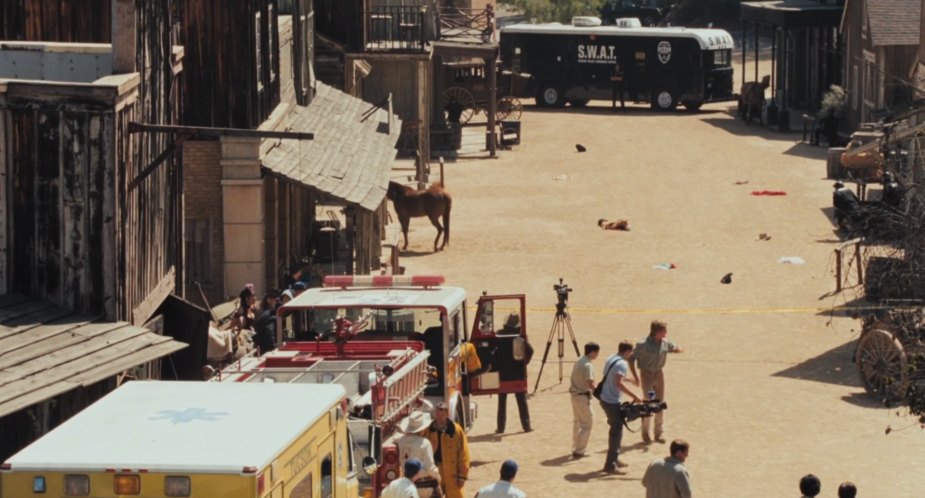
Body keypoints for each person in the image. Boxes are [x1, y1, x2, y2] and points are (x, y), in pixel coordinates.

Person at [629, 320, 683, 444]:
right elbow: (631, 359)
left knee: (659, 403)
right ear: (657, 332)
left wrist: (678, 349)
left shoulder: (665, 342)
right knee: (649, 403)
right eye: (664, 330)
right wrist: (636, 376)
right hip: (646, 374)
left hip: (659, 374)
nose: (666, 333)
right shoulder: (642, 344)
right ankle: (645, 433)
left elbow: (676, 347)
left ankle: (658, 433)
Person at [599, 341, 642, 474]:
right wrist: (634, 395)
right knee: (616, 431)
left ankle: (614, 459)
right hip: (612, 401)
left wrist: (629, 380)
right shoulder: (622, 363)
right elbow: (617, 382)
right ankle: (610, 465)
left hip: (605, 397)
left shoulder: (611, 358)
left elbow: (613, 377)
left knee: (617, 428)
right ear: (627, 351)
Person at [496, 315, 533, 433]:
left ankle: (500, 428)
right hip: (517, 373)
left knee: (502, 401)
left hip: (503, 373)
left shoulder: (499, 334)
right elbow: (530, 351)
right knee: (521, 400)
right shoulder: (520, 335)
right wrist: (524, 364)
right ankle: (526, 426)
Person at [424, 402, 469, 498]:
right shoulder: (429, 430)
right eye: (437, 414)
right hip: (436, 471)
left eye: (442, 415)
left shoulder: (456, 431)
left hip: (452, 473)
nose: (439, 417)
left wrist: (462, 476)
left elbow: (463, 454)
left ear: (447, 414)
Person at [396, 411, 442, 498]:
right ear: (422, 429)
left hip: (408, 484)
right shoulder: (425, 443)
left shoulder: (401, 442)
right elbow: (430, 468)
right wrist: (438, 477)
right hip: (425, 486)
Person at [569, 342, 600, 459]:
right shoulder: (588, 365)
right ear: (592, 352)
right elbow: (590, 383)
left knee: (577, 422)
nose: (597, 355)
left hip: (574, 396)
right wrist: (600, 393)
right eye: (596, 352)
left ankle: (575, 446)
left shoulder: (579, 360)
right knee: (587, 423)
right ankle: (579, 450)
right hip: (582, 397)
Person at [252, 289, 281, 354]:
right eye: (274, 300)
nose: (275, 302)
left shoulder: (267, 312)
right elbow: (270, 332)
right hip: (266, 347)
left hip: (263, 345)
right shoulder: (268, 314)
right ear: (269, 300)